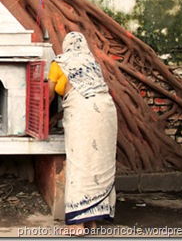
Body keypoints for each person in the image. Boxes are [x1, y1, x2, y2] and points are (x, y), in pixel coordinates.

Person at [48, 31, 118, 235]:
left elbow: (50, 96)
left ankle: (77, 226)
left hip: (84, 118)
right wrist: (59, 117)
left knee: (79, 163)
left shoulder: (60, 62)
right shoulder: (91, 63)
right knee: (97, 164)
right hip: (106, 114)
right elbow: (87, 96)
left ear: (66, 46)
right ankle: (91, 222)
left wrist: (37, 117)